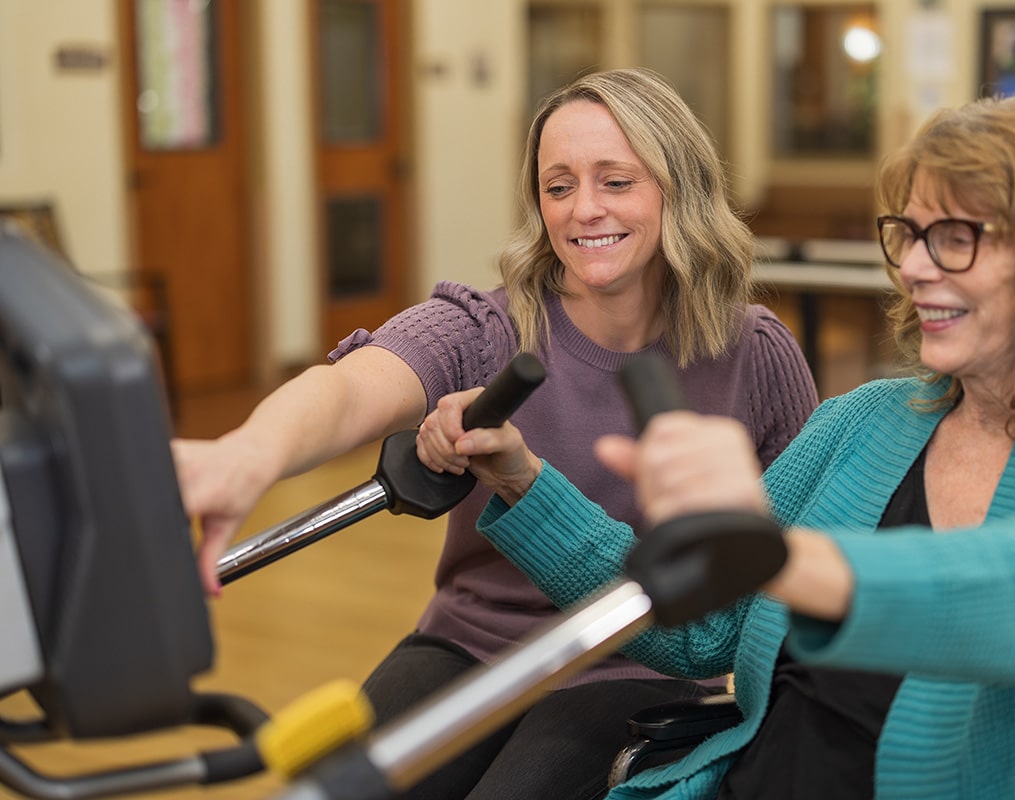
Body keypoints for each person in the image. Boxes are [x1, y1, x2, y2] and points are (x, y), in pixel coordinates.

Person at [465, 94, 1015, 799]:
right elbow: (704, 634)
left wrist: (777, 555)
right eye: (909, 234)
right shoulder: (865, 422)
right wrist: (527, 483)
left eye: (954, 237)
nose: (912, 266)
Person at [171, 67, 817, 800]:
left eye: (616, 181)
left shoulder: (756, 354)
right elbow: (353, 385)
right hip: (471, 641)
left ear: (680, 188)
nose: (583, 210)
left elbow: (796, 563)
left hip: (635, 664)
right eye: (559, 185)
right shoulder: (487, 328)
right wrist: (246, 455)